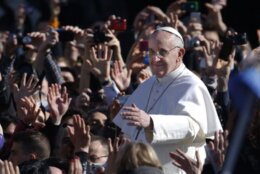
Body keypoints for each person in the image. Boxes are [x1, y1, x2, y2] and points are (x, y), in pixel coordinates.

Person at [113, 26, 222, 174]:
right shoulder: (146, 85)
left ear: (180, 53)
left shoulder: (192, 85)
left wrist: (152, 122)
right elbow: (128, 132)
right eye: (151, 52)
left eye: (162, 52)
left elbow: (194, 127)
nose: (155, 59)